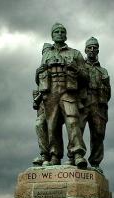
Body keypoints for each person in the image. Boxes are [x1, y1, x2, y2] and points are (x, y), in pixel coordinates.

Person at [35, 23, 88, 168]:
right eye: (56, 32)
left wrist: (76, 69)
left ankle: (77, 154)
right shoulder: (46, 54)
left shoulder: (75, 53)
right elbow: (40, 78)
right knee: (52, 125)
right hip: (50, 92)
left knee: (72, 121)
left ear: (66, 35)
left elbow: (86, 77)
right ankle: (54, 155)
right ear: (52, 35)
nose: (59, 34)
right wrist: (37, 73)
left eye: (62, 31)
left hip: (68, 91)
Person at [80, 37, 111, 172]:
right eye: (89, 47)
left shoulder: (103, 71)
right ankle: (77, 157)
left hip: (98, 104)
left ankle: (95, 163)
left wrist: (102, 99)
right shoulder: (80, 66)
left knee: (98, 134)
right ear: (85, 50)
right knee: (77, 130)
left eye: (95, 47)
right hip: (83, 102)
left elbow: (109, 91)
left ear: (98, 50)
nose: (92, 50)